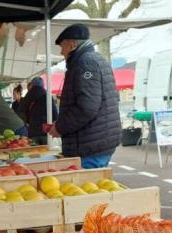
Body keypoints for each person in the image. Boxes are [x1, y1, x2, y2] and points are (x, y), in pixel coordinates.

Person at [48, 24, 121, 168]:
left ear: (71, 45)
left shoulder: (85, 63)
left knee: (89, 186)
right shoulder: (92, 59)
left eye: (62, 47)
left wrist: (60, 127)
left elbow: (86, 108)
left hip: (90, 145)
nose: (62, 52)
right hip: (95, 141)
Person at [20, 76, 58, 145]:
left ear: (32, 85)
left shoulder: (27, 97)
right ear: (43, 85)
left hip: (32, 132)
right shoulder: (47, 96)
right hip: (46, 132)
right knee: (47, 153)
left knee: (34, 154)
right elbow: (55, 113)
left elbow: (23, 113)